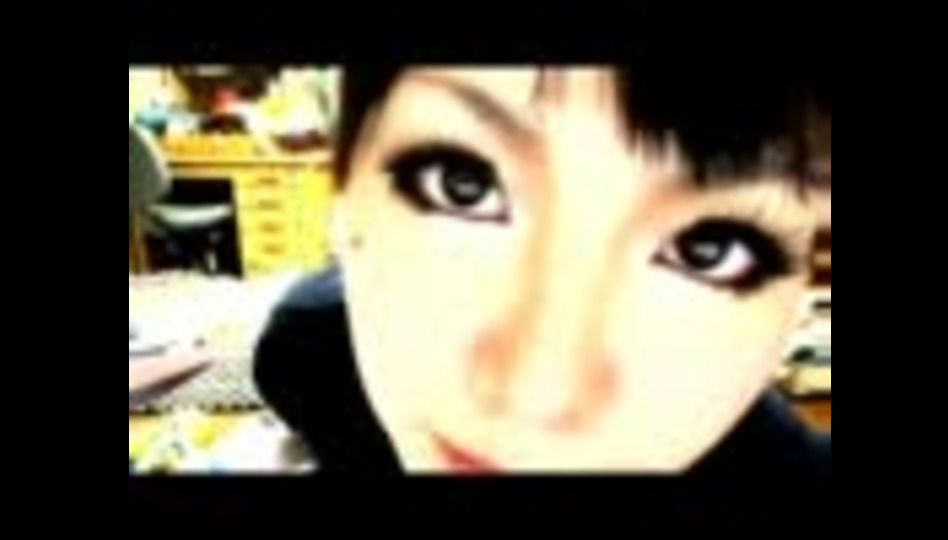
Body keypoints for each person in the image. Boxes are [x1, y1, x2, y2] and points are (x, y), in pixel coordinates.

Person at [255, 66, 831, 476]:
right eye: (462, 185)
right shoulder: (305, 361)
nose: (536, 393)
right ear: (342, 197)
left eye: (709, 249)